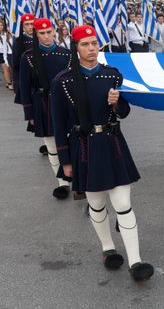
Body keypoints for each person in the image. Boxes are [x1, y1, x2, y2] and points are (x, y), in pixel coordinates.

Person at [51, 25, 154, 281]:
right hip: (84, 147)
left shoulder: (112, 75)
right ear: (76, 48)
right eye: (85, 44)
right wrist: (65, 162)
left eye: (94, 43)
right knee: (96, 205)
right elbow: (59, 124)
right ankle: (108, 249)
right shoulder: (62, 81)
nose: (92, 48)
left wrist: (117, 103)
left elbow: (124, 112)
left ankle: (136, 261)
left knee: (123, 204)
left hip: (112, 143)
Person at [18, 18, 73, 200]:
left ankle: (78, 179)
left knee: (72, 142)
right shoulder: (28, 57)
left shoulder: (67, 55)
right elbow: (24, 87)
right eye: (42, 33)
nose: (47, 36)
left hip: (66, 104)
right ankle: (63, 184)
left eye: (49, 32)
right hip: (42, 105)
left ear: (54, 32)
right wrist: (29, 113)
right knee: (52, 145)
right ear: (36, 34)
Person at [0, 19, 13, 90]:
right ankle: (9, 82)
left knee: (7, 68)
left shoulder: (7, 34)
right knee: (5, 68)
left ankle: (10, 82)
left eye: (2, 25)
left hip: (6, 52)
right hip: (0, 52)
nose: (0, 27)